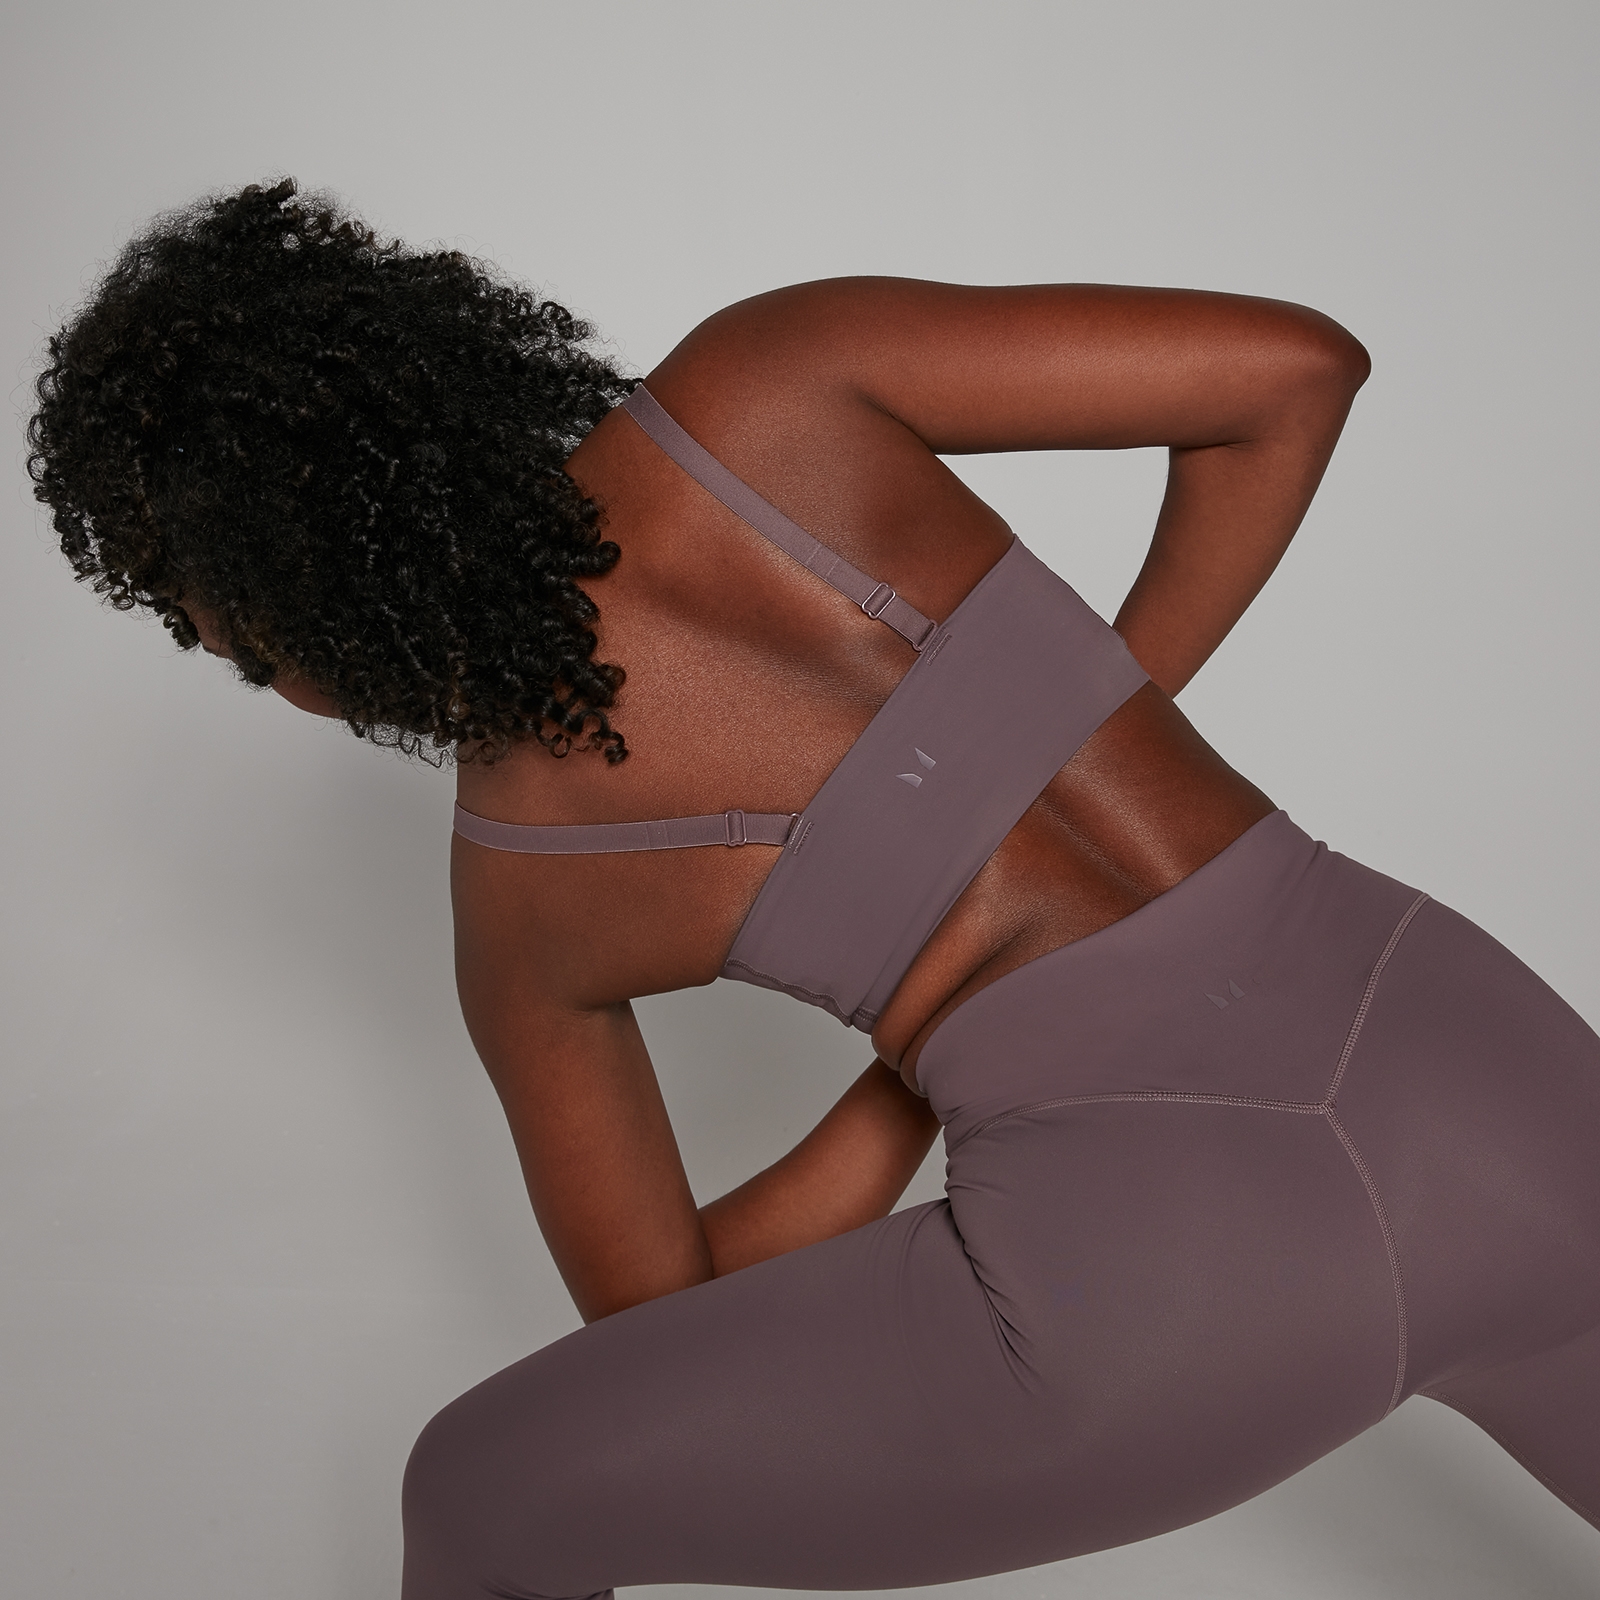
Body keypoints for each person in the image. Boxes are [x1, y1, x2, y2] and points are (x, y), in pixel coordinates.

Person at [29, 179, 1600, 1600]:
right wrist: (1080, 720)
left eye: (207, 629)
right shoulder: (773, 374)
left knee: (480, 1490)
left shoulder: (524, 885)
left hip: (1169, 1284)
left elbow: (666, 1327)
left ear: (281, 607)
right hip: (1493, 1072)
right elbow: (1298, 372)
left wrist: (907, 1083)